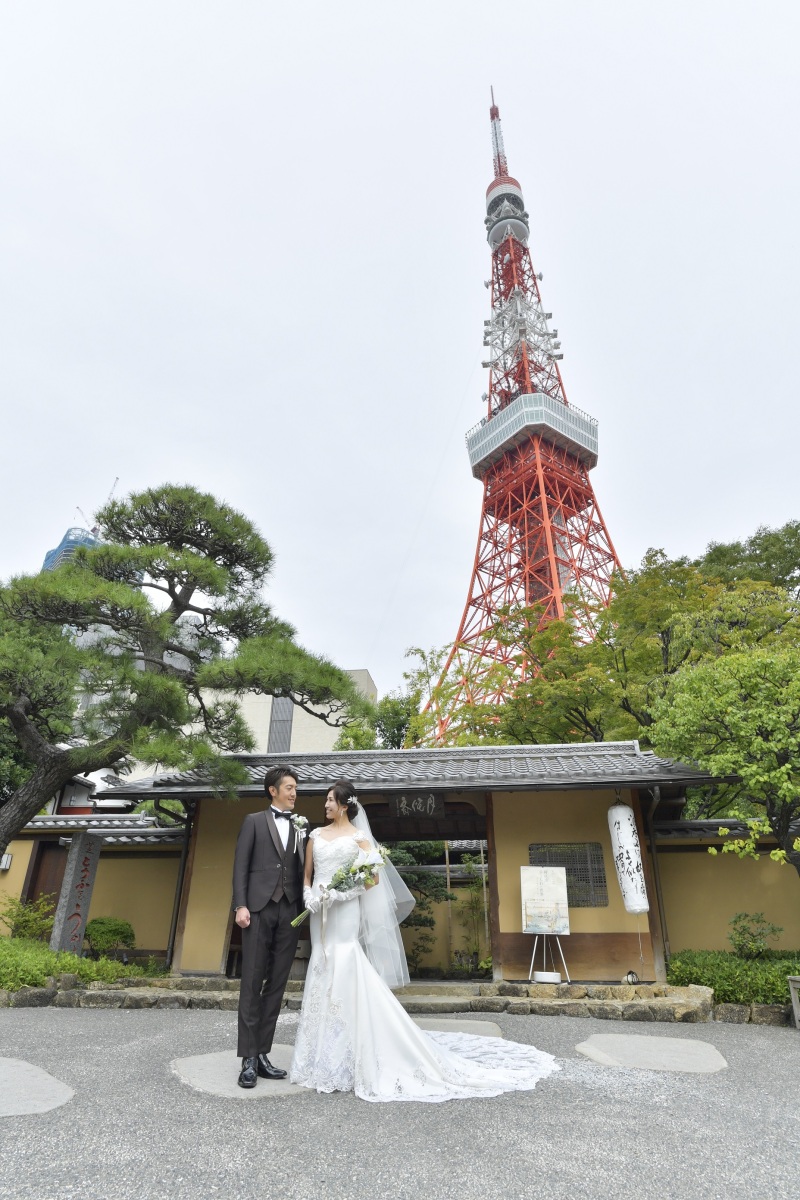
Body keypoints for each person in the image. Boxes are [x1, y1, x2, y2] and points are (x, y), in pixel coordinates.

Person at [290, 779, 559, 1102]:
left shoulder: (360, 839)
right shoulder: (315, 836)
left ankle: (349, 1049)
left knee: (345, 961)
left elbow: (372, 880)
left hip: (344, 910)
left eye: (331, 800)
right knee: (321, 965)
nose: (326, 805)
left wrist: (340, 893)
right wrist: (310, 896)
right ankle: (317, 1054)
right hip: (319, 911)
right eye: (326, 800)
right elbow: (307, 875)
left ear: (345, 805)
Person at [232, 764, 307, 1089]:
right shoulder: (253, 822)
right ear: (273, 790)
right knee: (251, 982)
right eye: (289, 787)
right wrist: (240, 905)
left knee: (276, 985)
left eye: (295, 788)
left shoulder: (302, 827)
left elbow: (305, 868)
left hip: (289, 911)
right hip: (258, 909)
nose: (294, 793)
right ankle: (248, 1059)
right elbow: (240, 866)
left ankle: (263, 1053)